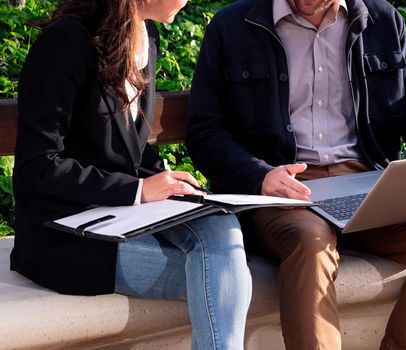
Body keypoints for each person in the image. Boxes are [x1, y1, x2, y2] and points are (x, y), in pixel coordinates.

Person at [186, 0, 406, 349]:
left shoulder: (381, 20)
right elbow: (205, 133)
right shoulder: (232, 26)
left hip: (367, 183)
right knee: (311, 246)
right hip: (283, 190)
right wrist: (260, 176)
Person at [10, 1, 251, 348]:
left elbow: (129, 146)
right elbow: (38, 167)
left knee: (220, 225)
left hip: (126, 217)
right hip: (69, 237)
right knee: (226, 278)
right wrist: (137, 190)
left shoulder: (145, 34)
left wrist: (168, 183)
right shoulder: (64, 43)